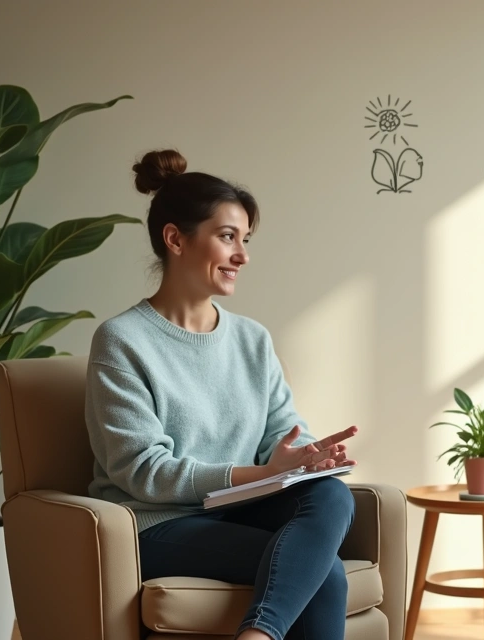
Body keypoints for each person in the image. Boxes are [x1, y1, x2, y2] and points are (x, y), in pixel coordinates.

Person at [84, 149, 360, 640]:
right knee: (325, 575)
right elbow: (144, 471)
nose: (242, 256)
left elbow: (282, 432)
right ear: (175, 239)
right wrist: (263, 473)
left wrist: (306, 458)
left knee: (332, 494)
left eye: (245, 240)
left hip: (240, 509)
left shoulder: (252, 339)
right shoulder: (122, 340)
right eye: (227, 237)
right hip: (158, 525)